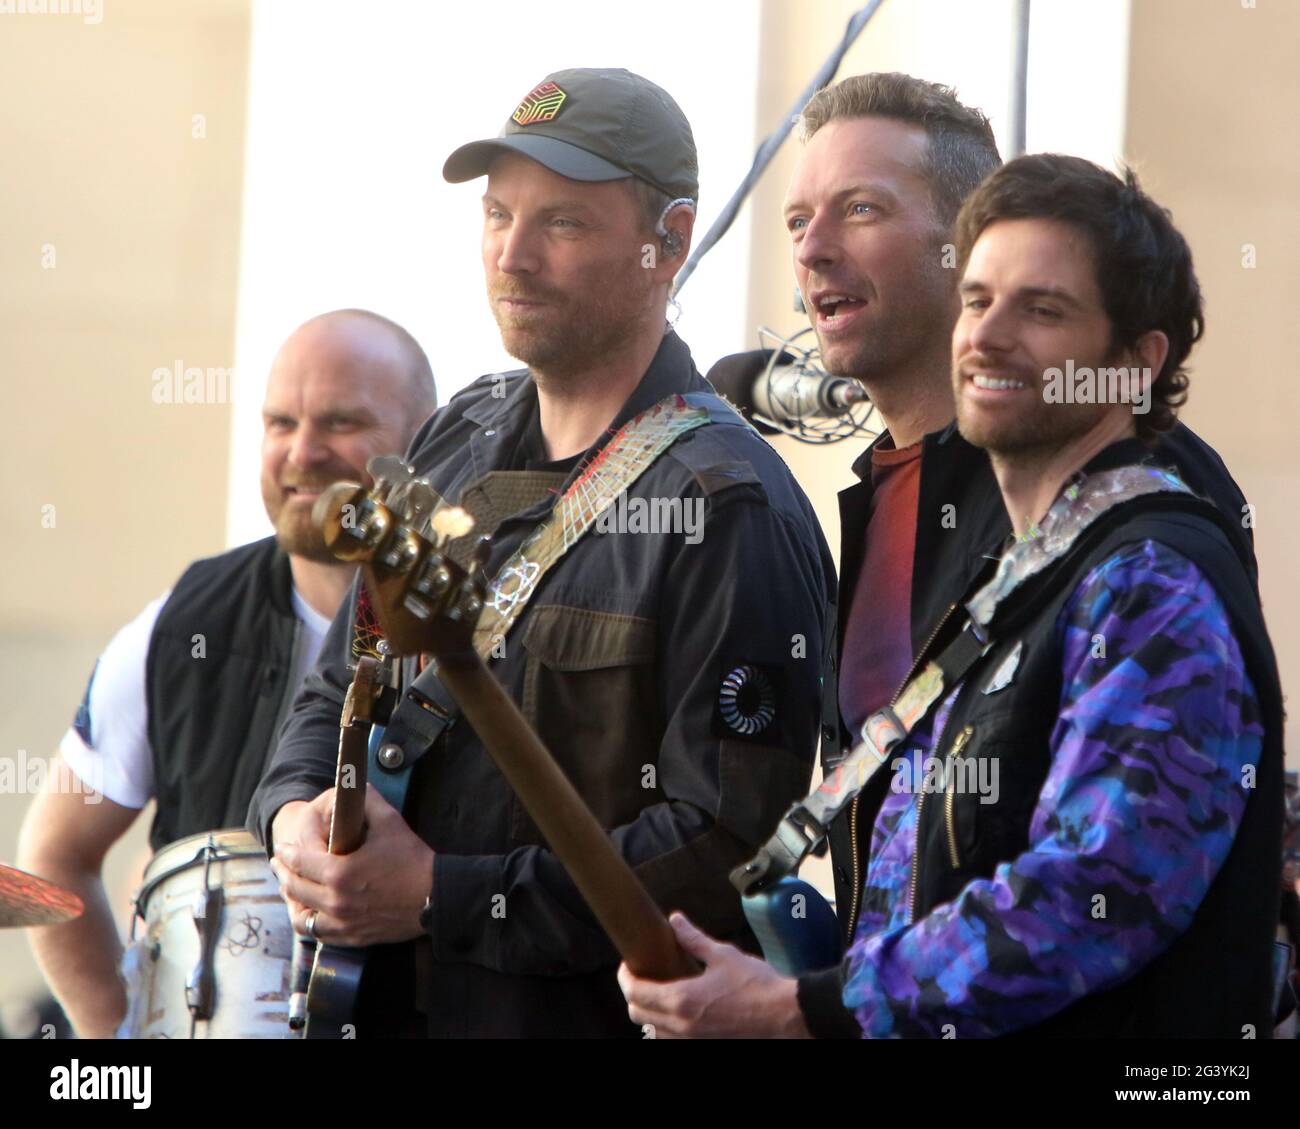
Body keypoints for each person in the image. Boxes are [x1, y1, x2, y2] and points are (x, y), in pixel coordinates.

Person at [620, 77, 1268, 1038]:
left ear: (1133, 361)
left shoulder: (1145, 549)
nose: (991, 334)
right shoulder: (992, 537)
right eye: (981, 301)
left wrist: (804, 1009)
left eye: (1041, 308)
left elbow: (1104, 885)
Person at [250, 67, 836, 1038]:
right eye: (496, 215)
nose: (511, 256)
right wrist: (295, 822)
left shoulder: (726, 506)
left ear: (671, 240)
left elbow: (725, 841)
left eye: (561, 223)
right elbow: (333, 689)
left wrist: (443, 893)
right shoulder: (453, 437)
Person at [16, 308, 436, 1038]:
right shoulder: (179, 626)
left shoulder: (489, 623)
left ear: (428, 439)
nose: (303, 452)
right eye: (279, 423)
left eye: (340, 422)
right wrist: (119, 1038)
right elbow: (53, 854)